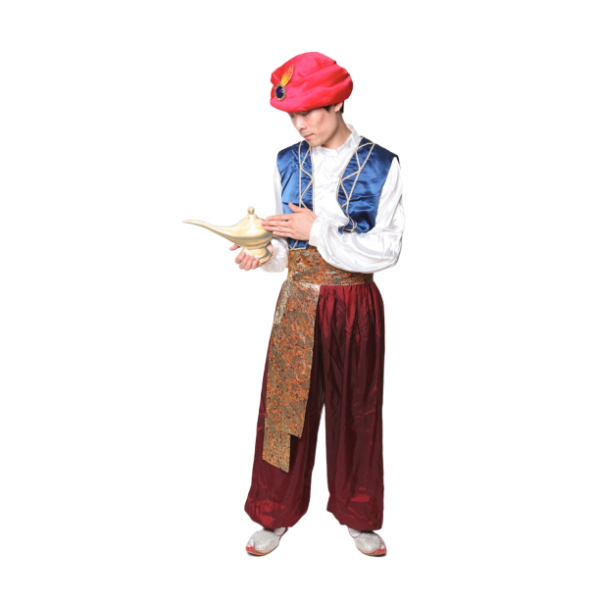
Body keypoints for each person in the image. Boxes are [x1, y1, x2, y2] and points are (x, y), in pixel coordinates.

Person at [230, 50, 405, 558]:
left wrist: (318, 230)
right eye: (293, 115)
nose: (300, 125)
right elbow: (285, 247)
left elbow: (387, 251)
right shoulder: (286, 161)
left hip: (355, 302)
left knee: (358, 410)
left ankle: (359, 514)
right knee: (285, 410)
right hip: (297, 300)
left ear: (338, 103)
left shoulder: (383, 163)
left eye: (309, 112)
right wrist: (261, 255)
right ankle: (273, 513)